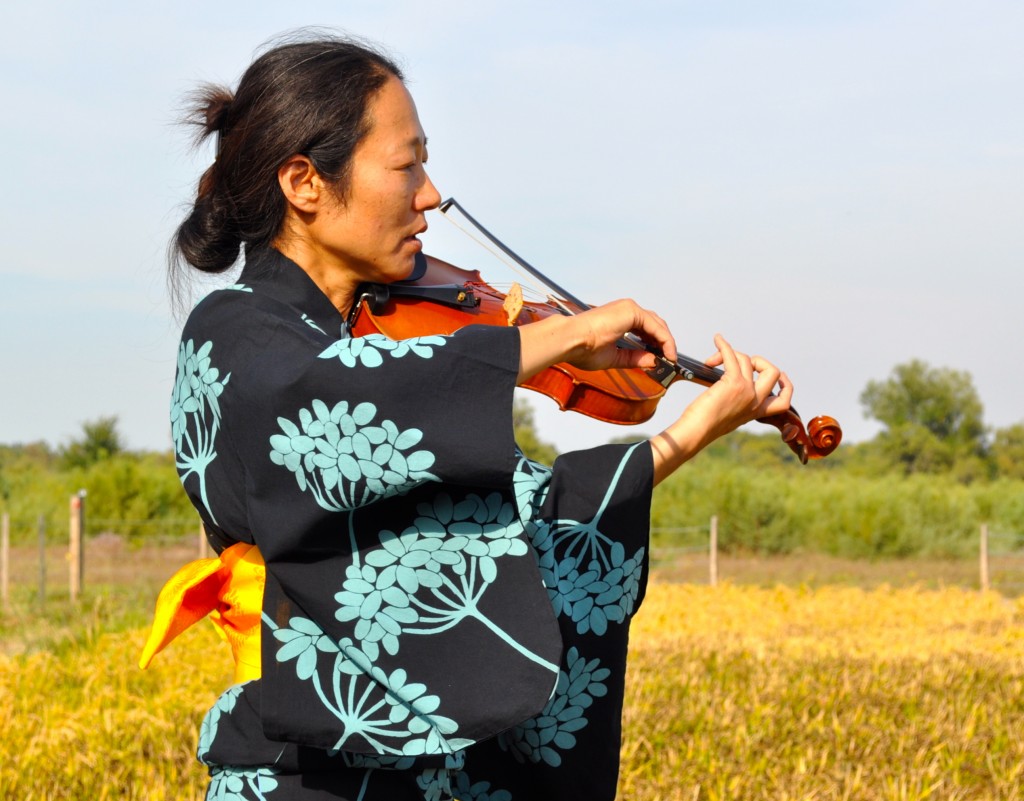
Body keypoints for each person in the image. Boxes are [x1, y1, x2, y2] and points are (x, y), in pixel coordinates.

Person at [140, 32, 792, 801]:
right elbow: (333, 397)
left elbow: (540, 522)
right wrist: (565, 334)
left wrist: (699, 424)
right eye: (407, 162)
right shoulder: (235, 335)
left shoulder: (362, 344)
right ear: (303, 182)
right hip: (299, 778)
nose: (429, 195)